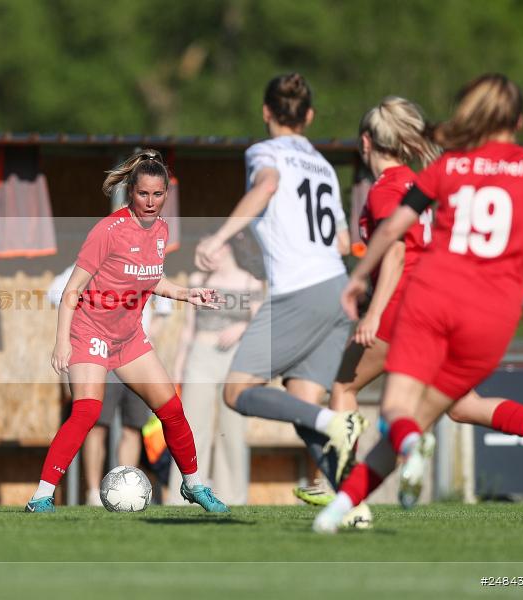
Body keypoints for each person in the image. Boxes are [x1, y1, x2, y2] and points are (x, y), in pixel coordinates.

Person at [315, 74, 523, 533]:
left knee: (373, 401)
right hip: (489, 317)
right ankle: (335, 512)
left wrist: (364, 293)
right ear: (520, 121)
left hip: (425, 302)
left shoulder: (446, 170)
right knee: (461, 407)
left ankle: (358, 480)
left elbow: (394, 242)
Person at [195, 73, 366, 512]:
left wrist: (219, 239)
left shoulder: (265, 152)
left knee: (236, 391)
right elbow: (344, 244)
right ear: (308, 116)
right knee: (301, 404)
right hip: (337, 289)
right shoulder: (324, 167)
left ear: (266, 112)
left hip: (298, 289)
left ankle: (335, 423)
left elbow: (267, 186)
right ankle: (353, 503)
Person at [26, 149, 229, 513]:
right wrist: (62, 345)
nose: (150, 202)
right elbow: (71, 290)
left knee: (172, 409)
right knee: (87, 413)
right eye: (143, 194)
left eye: (158, 194)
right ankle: (41, 495)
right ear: (130, 192)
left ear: (167, 193)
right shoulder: (108, 231)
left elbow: (149, 279)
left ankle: (194, 486)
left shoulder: (162, 231)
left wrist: (185, 293)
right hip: (90, 333)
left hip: (129, 338)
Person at [48, 263, 172, 506]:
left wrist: (150, 333)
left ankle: (126, 489)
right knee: (97, 425)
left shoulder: (147, 263)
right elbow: (56, 294)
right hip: (99, 355)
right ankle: (94, 492)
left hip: (134, 355)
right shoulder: (88, 262)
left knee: (132, 427)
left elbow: (165, 307)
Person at [167, 234, 265, 505]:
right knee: (191, 429)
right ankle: (181, 494)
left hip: (235, 360)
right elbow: (187, 330)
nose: (203, 257)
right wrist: (178, 370)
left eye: (206, 250)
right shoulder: (197, 281)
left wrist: (241, 328)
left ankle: (232, 496)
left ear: (224, 248)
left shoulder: (250, 282)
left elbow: (261, 322)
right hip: (200, 357)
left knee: (231, 431)